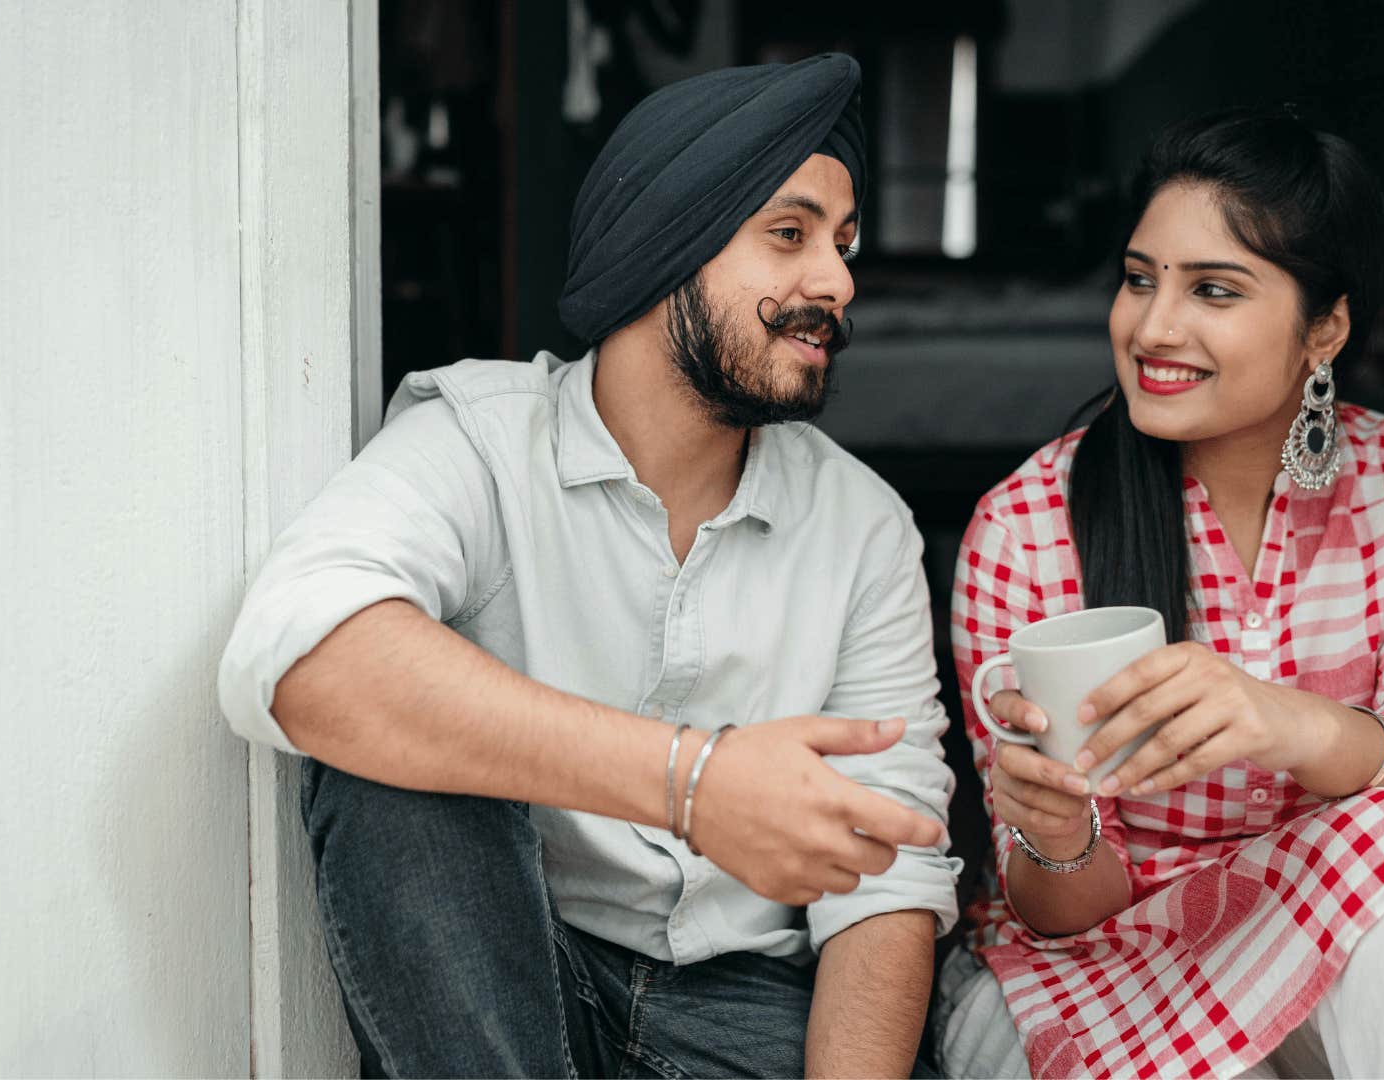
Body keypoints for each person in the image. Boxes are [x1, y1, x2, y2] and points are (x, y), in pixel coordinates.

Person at [216, 53, 961, 1079]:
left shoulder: (863, 525)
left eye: (842, 243)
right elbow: (297, 651)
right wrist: (691, 784)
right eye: (788, 234)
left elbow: (891, 876)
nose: (836, 280)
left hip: (749, 1001)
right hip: (517, 971)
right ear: (667, 246)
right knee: (392, 773)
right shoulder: (477, 440)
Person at [933, 108, 1384, 1079]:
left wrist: (1292, 726)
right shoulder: (1027, 527)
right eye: (1140, 279)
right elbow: (1060, 908)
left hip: (1341, 923)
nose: (1152, 327)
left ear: (1326, 328)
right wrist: (1054, 835)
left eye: (1214, 290)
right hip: (1097, 969)